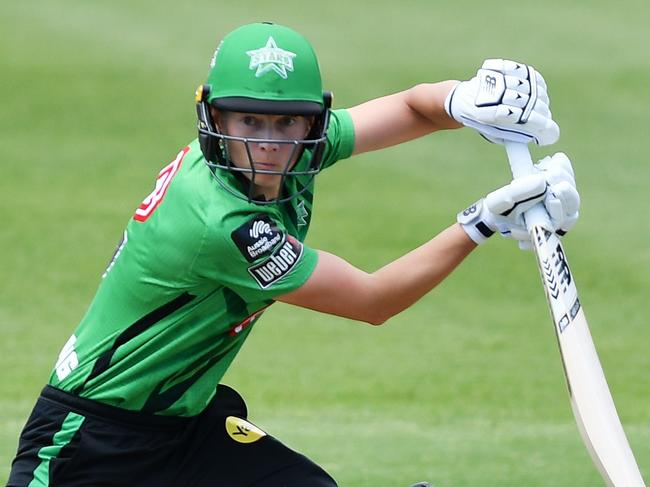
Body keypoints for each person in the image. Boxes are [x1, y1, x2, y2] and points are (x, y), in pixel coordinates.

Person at [7, 22, 579, 487]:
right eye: (249, 120)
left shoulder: (293, 146)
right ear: (215, 119)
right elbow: (373, 300)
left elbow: (409, 109)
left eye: (287, 122)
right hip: (90, 444)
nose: (269, 142)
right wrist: (482, 222)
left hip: (180, 426)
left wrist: (463, 97)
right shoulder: (222, 222)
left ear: (311, 118)